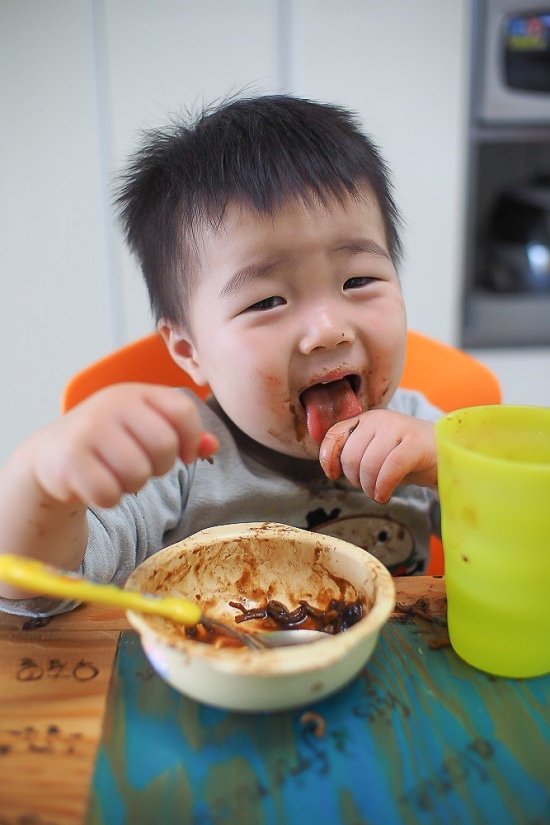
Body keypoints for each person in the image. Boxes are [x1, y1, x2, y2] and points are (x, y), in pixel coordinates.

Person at [0, 94, 440, 617]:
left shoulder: (425, 435)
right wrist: (39, 479)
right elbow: (38, 592)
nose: (327, 331)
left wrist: (451, 469)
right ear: (190, 350)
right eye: (267, 301)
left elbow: (520, 545)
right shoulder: (178, 462)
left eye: (358, 280)